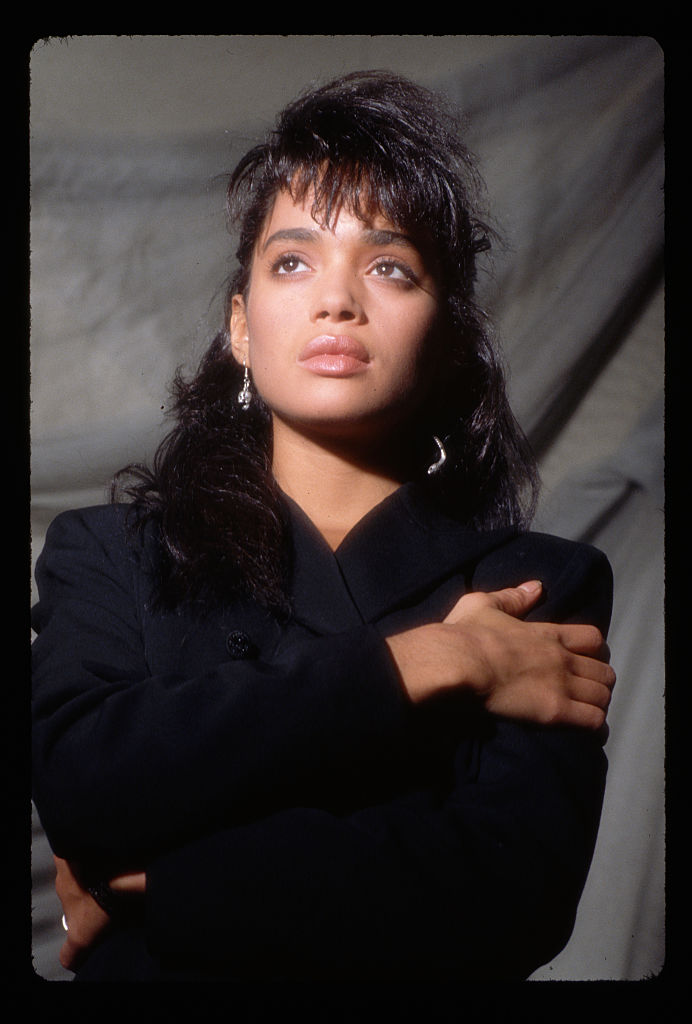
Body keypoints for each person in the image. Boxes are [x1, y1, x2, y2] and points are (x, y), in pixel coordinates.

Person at [31, 70, 616, 982]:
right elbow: (83, 788)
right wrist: (429, 662)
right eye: (293, 261)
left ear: (451, 335)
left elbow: (512, 896)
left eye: (390, 266)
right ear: (240, 324)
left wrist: (188, 883)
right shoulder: (107, 554)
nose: (336, 301)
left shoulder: (542, 584)